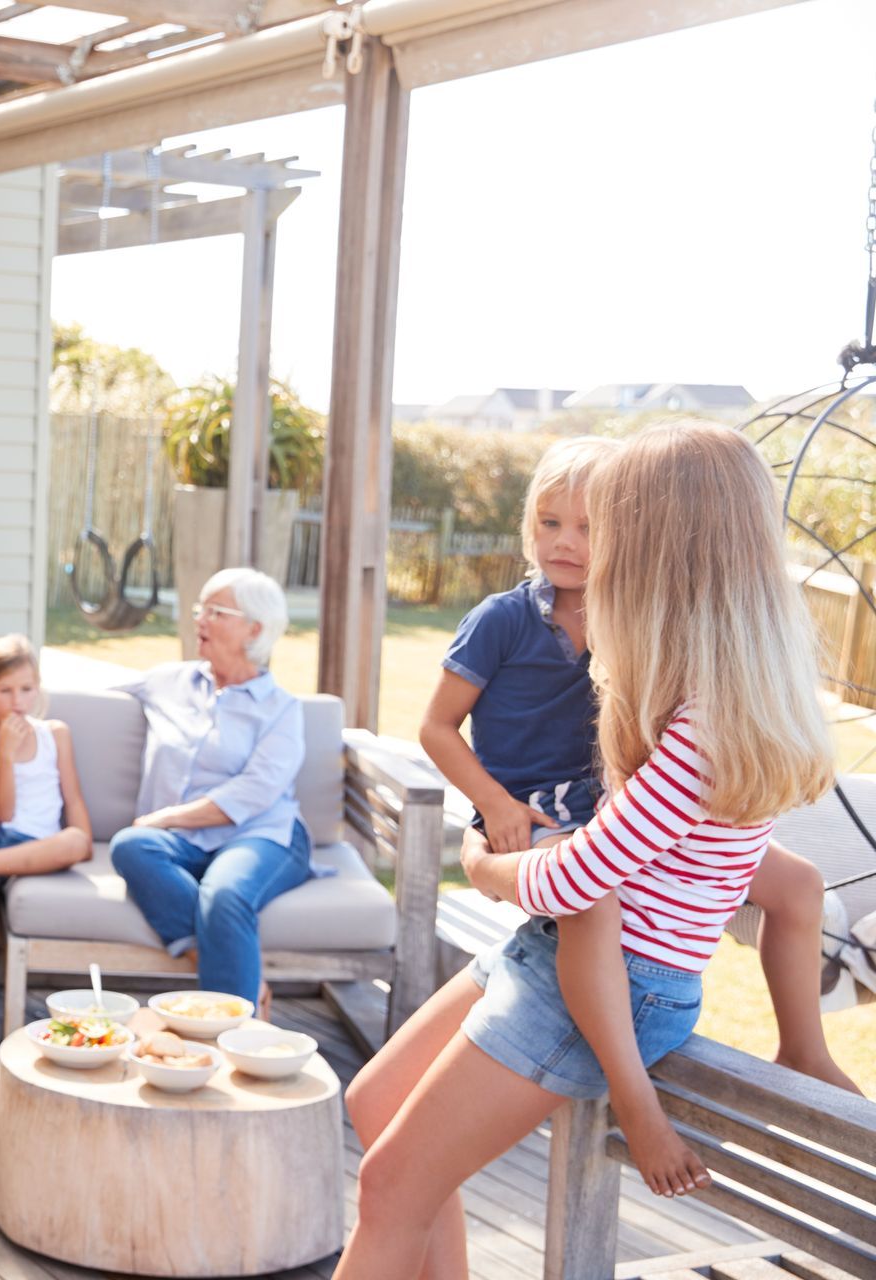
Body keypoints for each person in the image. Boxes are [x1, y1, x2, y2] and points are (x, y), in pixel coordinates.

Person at [336, 421, 837, 1279]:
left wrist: (484, 862)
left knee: (389, 1186)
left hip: (610, 991)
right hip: (557, 960)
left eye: (607, 528)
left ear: (657, 553)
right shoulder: (698, 685)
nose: (586, 553)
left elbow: (577, 879)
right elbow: (772, 879)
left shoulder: (704, 725)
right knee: (374, 1101)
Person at [109, 568, 310, 1013]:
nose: (199, 619)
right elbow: (81, 697)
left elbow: (254, 793)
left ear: (254, 630)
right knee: (130, 845)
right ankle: (232, 972)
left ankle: (231, 1041)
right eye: (200, 609)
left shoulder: (282, 710)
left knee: (225, 894)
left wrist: (169, 817)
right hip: (183, 842)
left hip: (261, 836)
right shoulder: (168, 681)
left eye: (215, 612)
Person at [0, 634, 93, 875]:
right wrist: (5, 755)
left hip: (41, 846)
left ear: (37, 687)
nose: (18, 701)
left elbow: (73, 799)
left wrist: (85, 844)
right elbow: (5, 814)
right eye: (5, 690)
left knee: (75, 841)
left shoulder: (55, 735)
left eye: (26, 689)